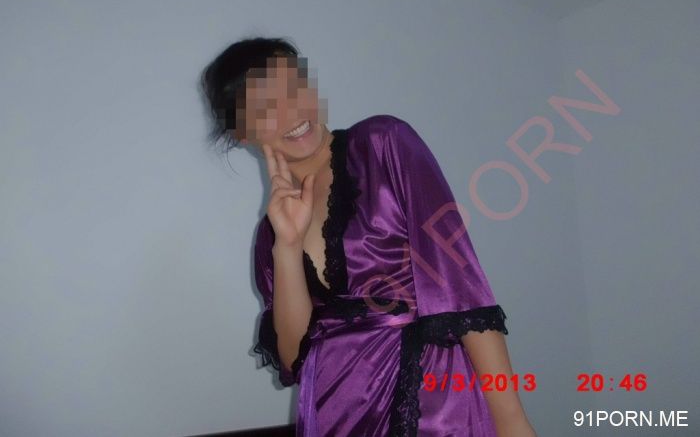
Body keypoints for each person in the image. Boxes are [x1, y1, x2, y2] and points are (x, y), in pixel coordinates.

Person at [199, 37, 537, 436]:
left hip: (432, 399)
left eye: (294, 86)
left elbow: (459, 283)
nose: (292, 109)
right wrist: (287, 247)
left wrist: (512, 419)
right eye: (265, 107)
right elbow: (294, 358)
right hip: (335, 412)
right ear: (242, 133)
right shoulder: (270, 235)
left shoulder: (383, 144)